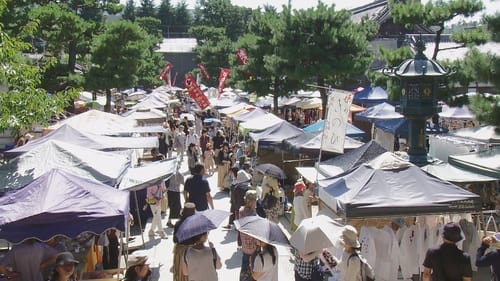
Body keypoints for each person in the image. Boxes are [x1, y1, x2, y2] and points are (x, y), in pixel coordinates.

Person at [173, 203, 197, 281]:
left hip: (180, 251)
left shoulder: (178, 224)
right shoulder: (195, 225)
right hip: (192, 251)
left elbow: (175, 240)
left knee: (180, 272)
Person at [238, 190, 259, 281]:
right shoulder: (252, 215)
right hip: (252, 247)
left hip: (244, 245)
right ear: (251, 202)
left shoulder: (241, 210)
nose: (256, 203)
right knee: (252, 268)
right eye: (255, 201)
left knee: (244, 265)